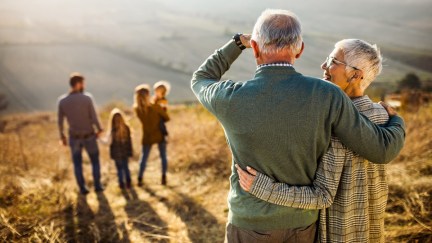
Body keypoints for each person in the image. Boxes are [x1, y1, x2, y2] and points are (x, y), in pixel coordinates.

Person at [191, 9, 405, 243]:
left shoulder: (229, 97)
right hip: (303, 226)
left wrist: (236, 44)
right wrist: (396, 121)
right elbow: (380, 149)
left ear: (255, 46)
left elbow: (201, 79)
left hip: (249, 225)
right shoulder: (328, 95)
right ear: (300, 49)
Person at [237, 39, 395, 243]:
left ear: (356, 75)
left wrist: (263, 188)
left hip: (338, 236)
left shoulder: (332, 123)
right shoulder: (384, 115)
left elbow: (322, 196)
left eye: (333, 61)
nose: (323, 65)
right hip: (372, 232)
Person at [58, 72, 104, 194]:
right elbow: (94, 117)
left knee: (77, 164)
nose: (84, 85)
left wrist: (62, 136)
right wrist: (100, 129)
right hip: (89, 136)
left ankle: (82, 188)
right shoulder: (87, 98)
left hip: (74, 137)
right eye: (83, 83)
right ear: (78, 84)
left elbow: (60, 121)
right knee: (95, 161)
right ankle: (98, 186)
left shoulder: (62, 101)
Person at [134, 84, 170, 186]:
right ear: (148, 95)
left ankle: (140, 178)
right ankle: (163, 177)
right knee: (163, 156)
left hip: (147, 135)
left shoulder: (137, 109)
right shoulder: (156, 107)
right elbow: (167, 118)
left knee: (144, 158)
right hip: (159, 134)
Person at [106, 108, 133, 189]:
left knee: (119, 169)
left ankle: (121, 184)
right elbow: (129, 142)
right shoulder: (127, 128)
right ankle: (128, 183)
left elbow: (108, 142)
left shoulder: (112, 130)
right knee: (126, 168)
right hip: (125, 153)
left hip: (116, 154)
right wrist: (130, 152)